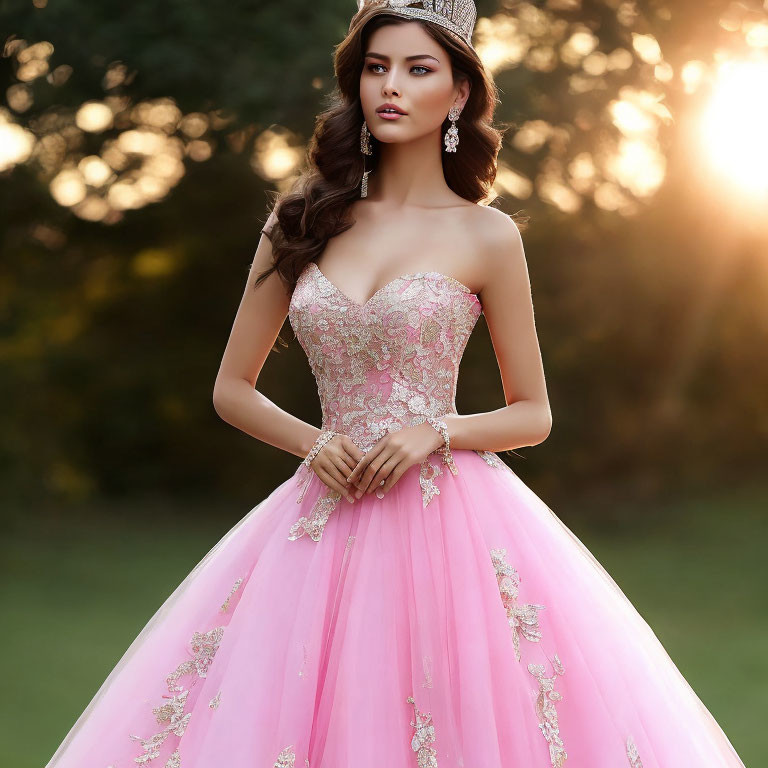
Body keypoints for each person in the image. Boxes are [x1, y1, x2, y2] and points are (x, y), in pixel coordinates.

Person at [45, 1, 748, 767]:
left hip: (454, 522)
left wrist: (436, 431)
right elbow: (232, 389)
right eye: (377, 68)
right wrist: (314, 444)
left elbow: (533, 413)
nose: (392, 86)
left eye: (419, 69)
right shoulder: (301, 223)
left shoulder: (488, 235)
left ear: (457, 97)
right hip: (321, 519)